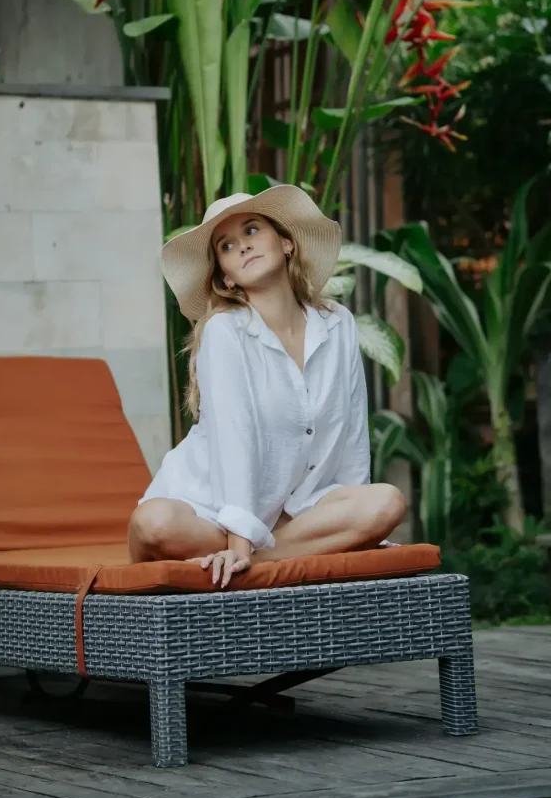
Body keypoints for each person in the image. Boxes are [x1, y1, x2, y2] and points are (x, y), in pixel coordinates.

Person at [129, 185, 407, 587]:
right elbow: (234, 438)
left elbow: (351, 432)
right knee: (152, 522)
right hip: (207, 509)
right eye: (226, 246)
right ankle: (256, 551)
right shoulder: (225, 332)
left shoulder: (338, 323)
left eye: (253, 230)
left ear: (287, 243)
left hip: (294, 516)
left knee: (386, 503)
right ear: (226, 276)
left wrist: (355, 519)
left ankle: (260, 556)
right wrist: (239, 539)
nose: (242, 246)